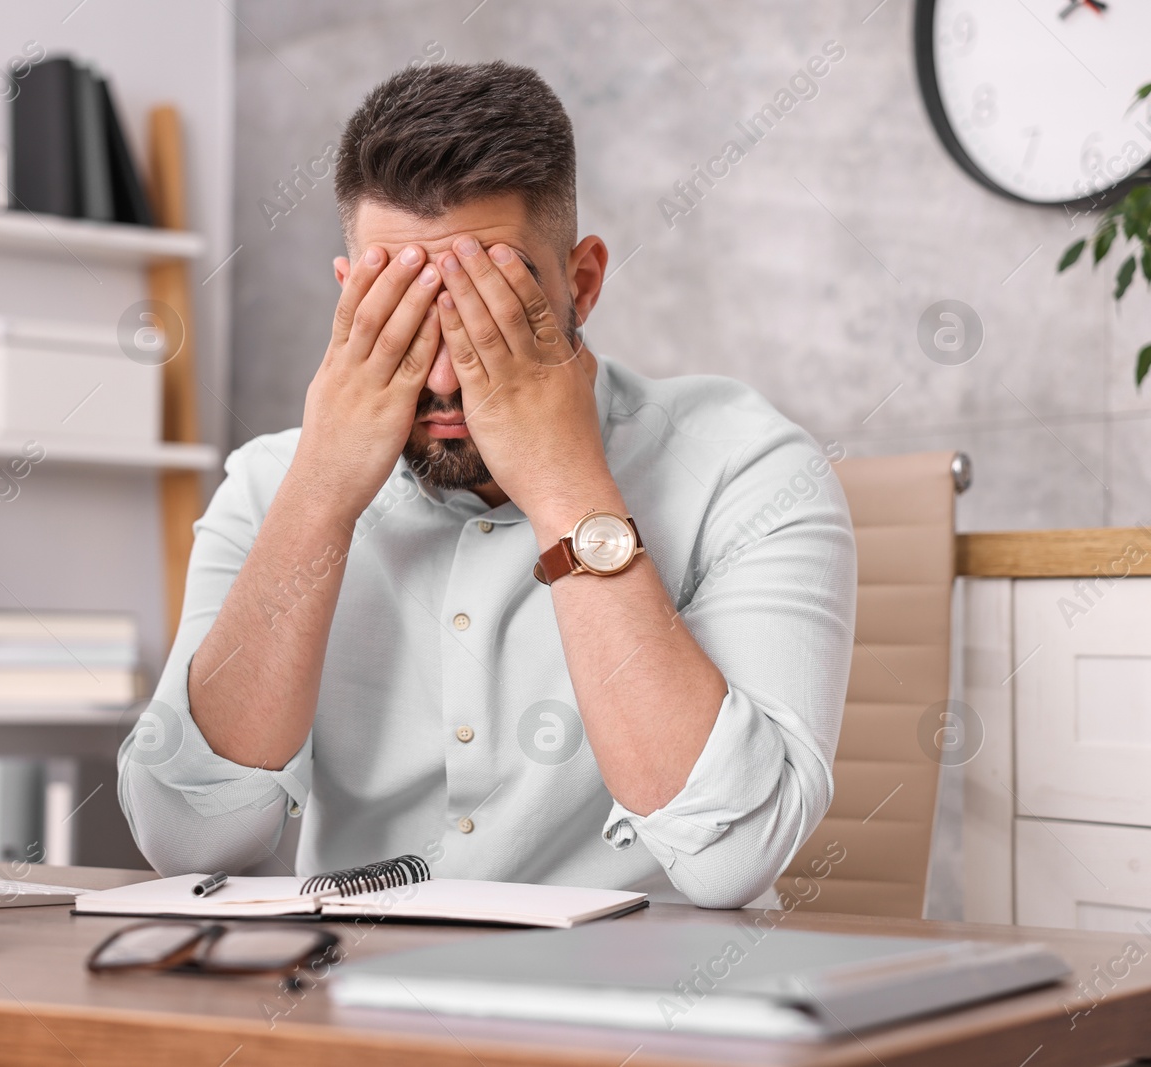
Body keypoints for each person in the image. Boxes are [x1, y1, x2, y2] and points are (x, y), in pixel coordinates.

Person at [118, 60, 855, 909]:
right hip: (348, 1013)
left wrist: (567, 482)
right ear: (350, 294)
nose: (439, 374)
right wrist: (320, 495)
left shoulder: (747, 469)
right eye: (398, 308)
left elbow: (734, 859)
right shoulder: (268, 486)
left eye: (485, 307)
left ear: (578, 284)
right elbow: (185, 841)